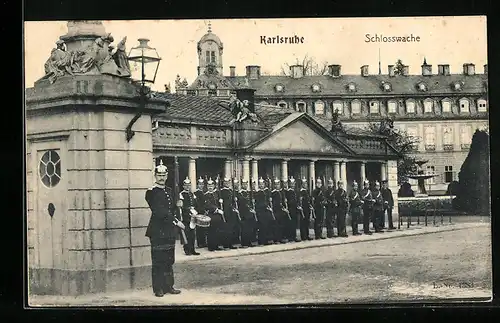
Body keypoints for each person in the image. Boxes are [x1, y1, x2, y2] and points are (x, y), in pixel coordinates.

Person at [145, 160, 182, 296]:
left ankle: (169, 286)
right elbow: (159, 211)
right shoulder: (151, 192)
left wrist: (178, 208)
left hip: (168, 231)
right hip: (157, 230)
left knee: (169, 260)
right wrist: (176, 221)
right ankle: (158, 288)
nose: (162, 177)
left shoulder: (170, 191)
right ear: (155, 176)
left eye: (164, 175)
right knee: (158, 260)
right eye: (159, 175)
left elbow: (171, 209)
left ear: (167, 176)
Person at [179, 177, 200, 256]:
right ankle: (187, 250)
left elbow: (195, 204)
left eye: (189, 185)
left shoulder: (192, 194)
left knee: (192, 234)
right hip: (186, 216)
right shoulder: (181, 194)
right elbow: (181, 206)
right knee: (187, 234)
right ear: (183, 186)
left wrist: (196, 211)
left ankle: (192, 249)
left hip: (193, 215)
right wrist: (188, 211)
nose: (187, 187)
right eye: (186, 185)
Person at [204, 178, 225, 251]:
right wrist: (216, 209)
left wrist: (220, 202)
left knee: (217, 231)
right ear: (207, 186)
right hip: (211, 215)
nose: (210, 187)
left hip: (218, 216)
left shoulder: (216, 193)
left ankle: (216, 245)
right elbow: (207, 205)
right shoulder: (206, 195)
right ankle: (211, 246)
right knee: (211, 231)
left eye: (211, 185)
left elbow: (218, 202)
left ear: (214, 186)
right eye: (209, 185)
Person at [238, 179, 257, 247]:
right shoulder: (240, 193)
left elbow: (250, 202)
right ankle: (244, 243)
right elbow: (242, 203)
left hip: (250, 214)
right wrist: (249, 209)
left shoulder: (249, 192)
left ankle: (249, 242)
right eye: (243, 184)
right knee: (244, 229)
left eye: (246, 184)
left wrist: (252, 208)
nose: (245, 185)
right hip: (244, 213)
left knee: (250, 229)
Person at [220, 178, 238, 249]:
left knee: (231, 228)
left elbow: (232, 202)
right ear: (224, 183)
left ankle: (230, 243)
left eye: (228, 182)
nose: (227, 183)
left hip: (231, 211)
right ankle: (225, 244)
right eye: (226, 182)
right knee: (225, 228)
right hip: (225, 211)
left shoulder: (231, 190)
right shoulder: (221, 191)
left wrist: (234, 206)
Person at [255, 177, 274, 245]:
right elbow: (258, 203)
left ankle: (267, 239)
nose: (261, 185)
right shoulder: (258, 193)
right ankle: (261, 241)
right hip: (261, 212)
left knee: (267, 226)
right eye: (260, 184)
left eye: (262, 184)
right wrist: (266, 206)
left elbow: (268, 200)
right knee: (262, 227)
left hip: (267, 212)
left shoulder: (267, 191)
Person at [271, 178, 288, 243]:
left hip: (281, 211)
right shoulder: (273, 193)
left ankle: (281, 238)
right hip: (276, 211)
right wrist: (281, 207)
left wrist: (284, 206)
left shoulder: (281, 192)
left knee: (281, 225)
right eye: (276, 184)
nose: (277, 185)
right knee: (276, 226)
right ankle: (276, 239)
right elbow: (275, 203)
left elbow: (283, 201)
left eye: (278, 184)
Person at [284, 177, 300, 242]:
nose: (293, 185)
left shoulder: (295, 191)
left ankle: (294, 236)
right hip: (291, 209)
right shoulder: (289, 191)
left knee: (295, 223)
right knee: (291, 224)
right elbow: (290, 201)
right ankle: (290, 237)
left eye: (293, 183)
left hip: (295, 209)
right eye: (291, 183)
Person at [194, 177, 207, 248]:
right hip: (199, 212)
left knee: (204, 228)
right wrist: (201, 210)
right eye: (200, 184)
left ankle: (204, 242)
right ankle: (200, 243)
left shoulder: (204, 192)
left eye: (202, 184)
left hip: (205, 212)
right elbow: (197, 204)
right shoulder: (196, 193)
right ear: (197, 185)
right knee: (199, 228)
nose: (201, 185)